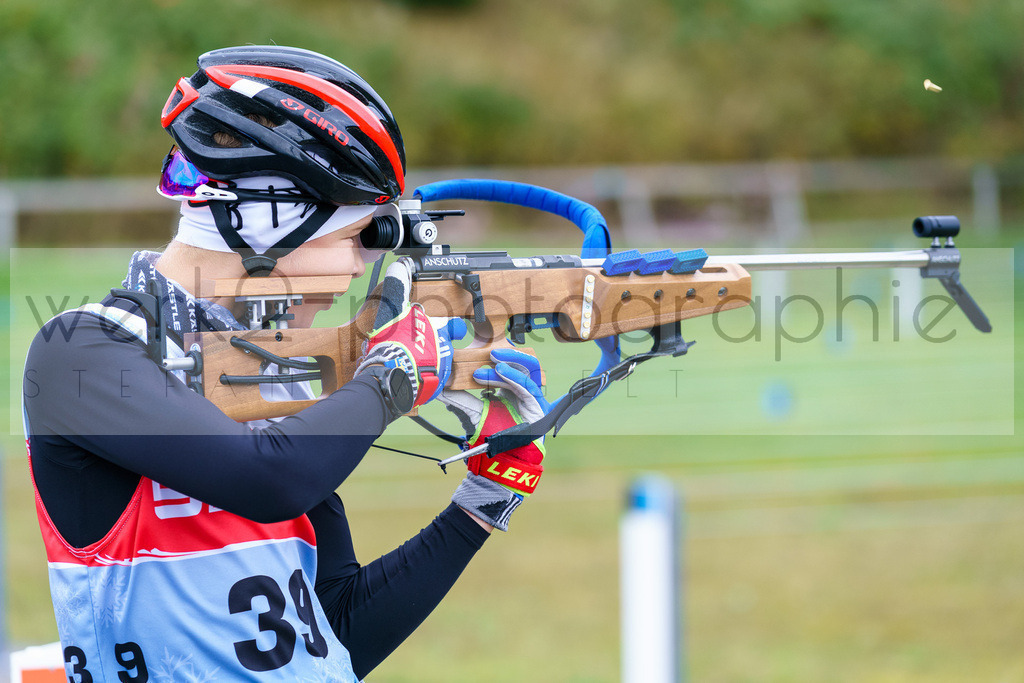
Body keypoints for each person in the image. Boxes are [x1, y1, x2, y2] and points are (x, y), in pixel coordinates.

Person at [22, 45, 548, 682]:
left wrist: (482, 502)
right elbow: (268, 481)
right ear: (272, 216)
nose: (360, 268)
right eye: (355, 237)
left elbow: (336, 634)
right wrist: (389, 380)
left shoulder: (274, 376)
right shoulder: (81, 351)